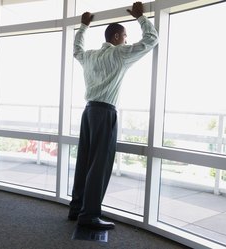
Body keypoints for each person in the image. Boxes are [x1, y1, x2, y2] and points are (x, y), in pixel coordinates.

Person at [68, 2, 159, 230]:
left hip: (88, 112)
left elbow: (76, 51)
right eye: (125, 37)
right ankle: (89, 216)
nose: (127, 41)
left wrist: (83, 26)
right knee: (100, 164)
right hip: (105, 112)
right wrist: (140, 18)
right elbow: (151, 40)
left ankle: (76, 209)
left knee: (84, 162)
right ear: (117, 36)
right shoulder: (119, 54)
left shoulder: (90, 56)